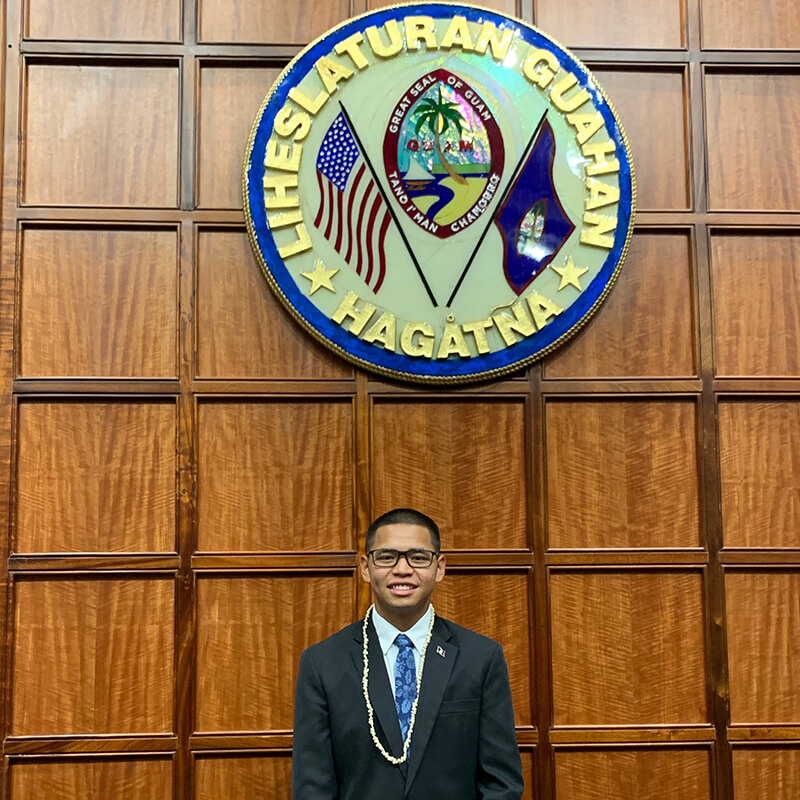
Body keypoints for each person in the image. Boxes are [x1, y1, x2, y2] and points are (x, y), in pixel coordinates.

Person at [292, 507, 524, 799]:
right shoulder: (322, 663)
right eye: (387, 557)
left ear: (439, 567)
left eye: (418, 557)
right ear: (365, 567)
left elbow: (502, 784)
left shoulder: (481, 658)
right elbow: (312, 787)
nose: (402, 569)